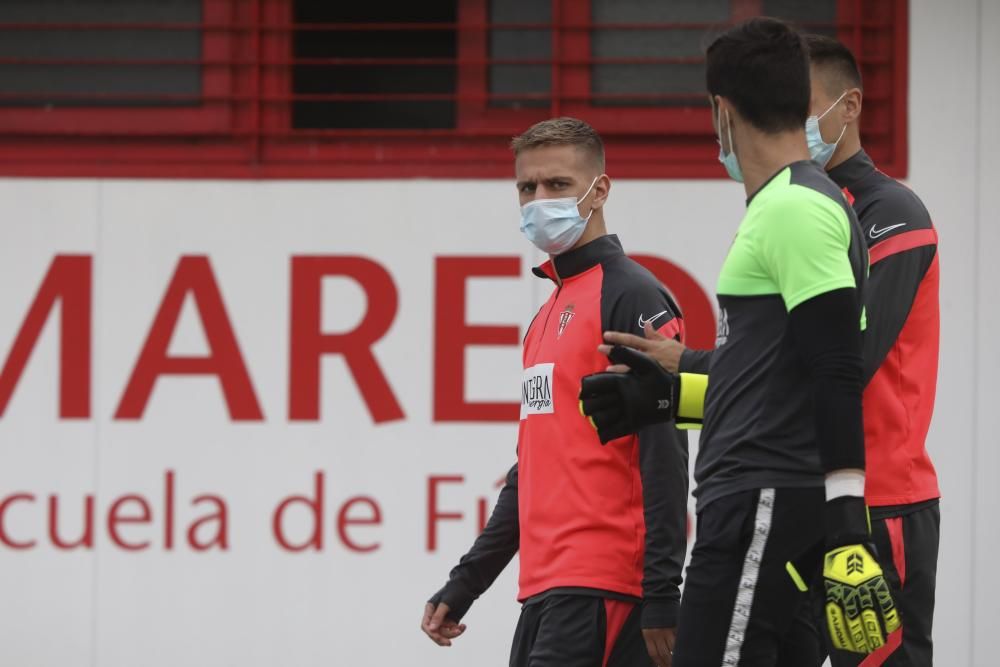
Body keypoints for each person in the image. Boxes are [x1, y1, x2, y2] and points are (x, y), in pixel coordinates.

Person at [601, 32, 943, 667]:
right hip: (781, 490)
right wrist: (670, 395)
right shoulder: (787, 205)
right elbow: (777, 372)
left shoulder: (803, 208)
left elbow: (840, 365)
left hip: (827, 496)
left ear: (721, 111)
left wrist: (845, 523)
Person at [420, 117, 690, 667]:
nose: (540, 199)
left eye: (558, 185)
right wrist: (466, 583)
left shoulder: (630, 293)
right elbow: (531, 471)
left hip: (606, 586)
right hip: (546, 589)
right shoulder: (548, 312)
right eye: (528, 187)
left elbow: (666, 449)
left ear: (601, 189)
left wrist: (664, 592)